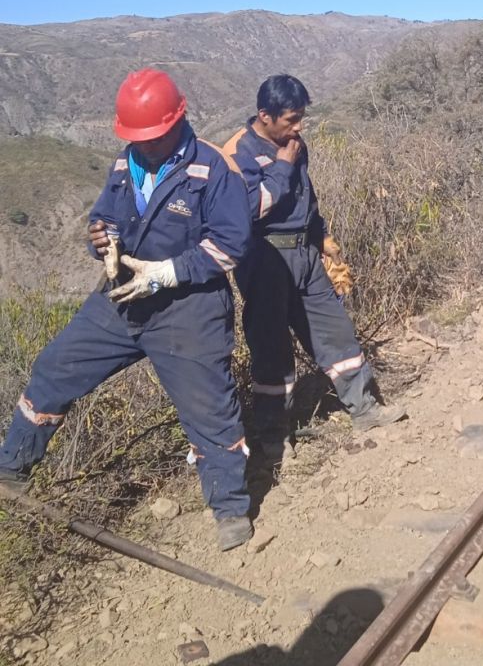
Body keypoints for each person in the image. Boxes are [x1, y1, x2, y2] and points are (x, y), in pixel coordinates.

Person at [0, 69, 254, 552]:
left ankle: (230, 509)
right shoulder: (125, 164)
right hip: (120, 300)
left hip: (188, 310)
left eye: (154, 137)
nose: (148, 146)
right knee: (55, 369)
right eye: (139, 138)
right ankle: (12, 468)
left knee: (209, 412)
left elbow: (230, 245)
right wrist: (103, 240)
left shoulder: (211, 170)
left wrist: (167, 272)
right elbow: (104, 215)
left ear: (177, 121)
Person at [223, 75, 405, 461]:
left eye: (301, 117)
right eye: (291, 119)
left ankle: (365, 409)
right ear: (265, 115)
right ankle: (274, 440)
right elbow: (248, 210)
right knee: (271, 351)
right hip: (265, 260)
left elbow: (307, 195)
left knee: (336, 334)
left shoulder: (293, 143)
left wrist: (323, 237)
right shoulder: (237, 153)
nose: (298, 127)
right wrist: (283, 167)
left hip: (305, 254)